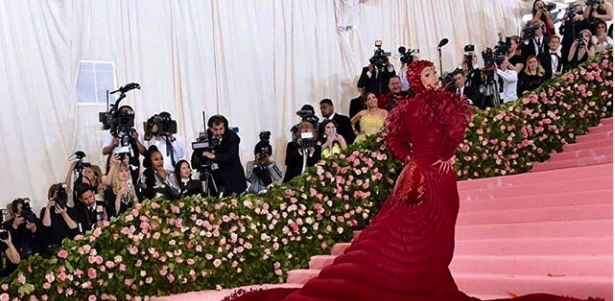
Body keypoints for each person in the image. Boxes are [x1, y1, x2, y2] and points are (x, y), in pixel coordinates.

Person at [229, 60, 594, 301]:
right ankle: (419, 282)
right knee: (430, 232)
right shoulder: (442, 102)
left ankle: (421, 281)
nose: (435, 79)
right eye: (430, 75)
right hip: (435, 174)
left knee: (398, 229)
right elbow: (456, 129)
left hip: (413, 171)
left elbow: (394, 140)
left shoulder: (407, 108)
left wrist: (411, 159)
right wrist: (446, 154)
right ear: (420, 80)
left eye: (434, 74)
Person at [190, 115, 248, 196]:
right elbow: (197, 155)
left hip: (232, 178)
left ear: (225, 127)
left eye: (221, 129)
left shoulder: (232, 137)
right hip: (214, 179)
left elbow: (231, 156)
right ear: (210, 128)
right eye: (215, 130)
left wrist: (213, 156)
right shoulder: (206, 137)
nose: (218, 133)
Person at [101, 105, 147, 185]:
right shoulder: (112, 132)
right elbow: (104, 151)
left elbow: (144, 152)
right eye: (123, 115)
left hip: (132, 160)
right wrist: (113, 145)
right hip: (116, 160)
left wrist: (136, 140)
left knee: (132, 184)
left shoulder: (136, 132)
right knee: (114, 184)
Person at [39, 184, 78, 255]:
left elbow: (74, 227)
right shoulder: (46, 211)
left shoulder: (70, 210)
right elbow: (46, 225)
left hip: (68, 246)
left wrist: (64, 214)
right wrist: (48, 208)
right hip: (52, 248)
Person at [559, 3, 590, 69]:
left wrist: (580, 18)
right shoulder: (568, 21)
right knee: (566, 64)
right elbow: (561, 32)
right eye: (575, 10)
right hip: (567, 45)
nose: (576, 12)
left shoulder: (583, 20)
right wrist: (564, 21)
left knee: (576, 64)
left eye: (579, 11)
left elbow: (588, 26)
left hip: (578, 45)